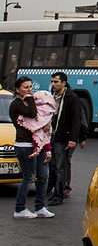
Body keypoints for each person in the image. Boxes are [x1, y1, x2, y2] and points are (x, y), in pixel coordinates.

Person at [10, 77, 54, 219]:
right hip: (25, 146)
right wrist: (29, 98)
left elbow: (44, 117)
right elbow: (32, 113)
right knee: (29, 177)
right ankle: (19, 209)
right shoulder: (16, 104)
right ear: (17, 89)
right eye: (25, 87)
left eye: (30, 87)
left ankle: (40, 207)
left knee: (43, 176)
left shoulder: (32, 102)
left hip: (39, 144)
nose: (29, 90)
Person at [46, 72, 83, 206]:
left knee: (60, 166)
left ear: (64, 83)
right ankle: (52, 190)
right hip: (51, 135)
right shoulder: (51, 96)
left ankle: (58, 195)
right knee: (53, 165)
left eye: (56, 82)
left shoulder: (71, 98)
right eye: (52, 81)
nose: (53, 84)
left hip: (62, 137)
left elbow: (76, 120)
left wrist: (74, 138)